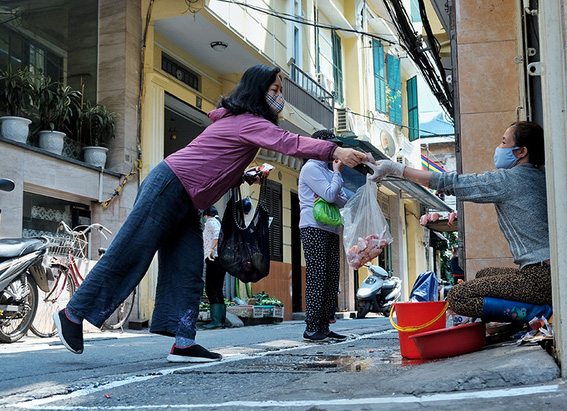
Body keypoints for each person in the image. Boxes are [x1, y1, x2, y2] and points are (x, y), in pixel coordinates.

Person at [53, 65, 368, 362]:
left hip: (188, 200)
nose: (279, 96)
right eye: (274, 88)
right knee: (131, 252)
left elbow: (218, 163)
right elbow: (290, 142)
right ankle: (72, 313)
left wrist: (246, 176)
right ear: (259, 90)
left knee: (189, 270)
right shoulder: (247, 121)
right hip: (170, 186)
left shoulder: (242, 123)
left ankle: (184, 342)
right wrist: (334, 150)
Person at [368, 121, 553, 324]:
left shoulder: (510, 179)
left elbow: (452, 183)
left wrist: (397, 169)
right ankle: (522, 317)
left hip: (540, 277)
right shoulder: (538, 176)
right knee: (484, 274)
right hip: (544, 273)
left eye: (503, 142)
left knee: (458, 296)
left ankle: (540, 314)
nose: (499, 148)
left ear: (521, 152)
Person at [298, 130, 349, 342]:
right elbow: (331, 195)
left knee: (330, 278)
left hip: (330, 228)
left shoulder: (327, 171)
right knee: (318, 277)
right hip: (313, 226)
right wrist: (336, 175)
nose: (333, 151)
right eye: (330, 146)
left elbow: (342, 200)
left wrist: (333, 182)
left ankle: (324, 326)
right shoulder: (311, 168)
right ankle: (311, 328)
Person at [201, 206, 226, 330]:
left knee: (210, 288)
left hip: (213, 258)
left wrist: (210, 249)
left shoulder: (211, 222)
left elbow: (217, 235)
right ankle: (221, 320)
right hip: (219, 259)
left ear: (206, 215)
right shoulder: (217, 221)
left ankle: (216, 321)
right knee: (218, 289)